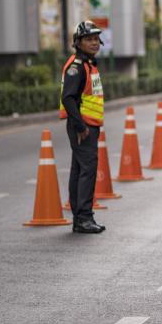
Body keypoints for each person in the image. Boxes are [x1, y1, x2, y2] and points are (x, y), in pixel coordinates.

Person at [59, 20, 107, 235]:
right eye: (89, 39)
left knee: (79, 170)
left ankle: (80, 218)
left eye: (96, 39)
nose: (94, 43)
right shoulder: (77, 67)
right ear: (78, 42)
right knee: (87, 170)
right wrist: (80, 127)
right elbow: (68, 98)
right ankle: (84, 218)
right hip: (83, 126)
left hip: (88, 125)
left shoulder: (88, 64)